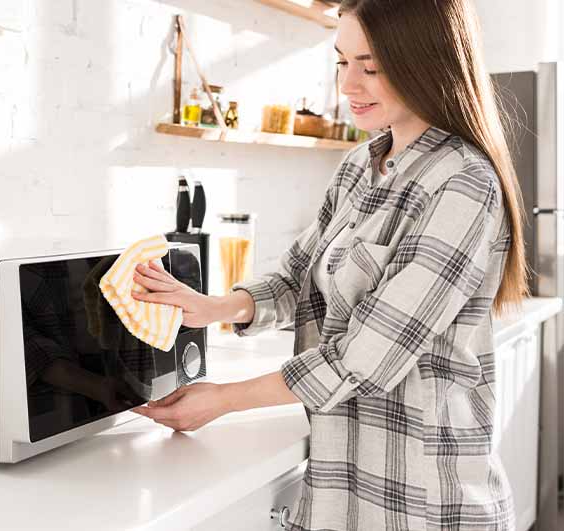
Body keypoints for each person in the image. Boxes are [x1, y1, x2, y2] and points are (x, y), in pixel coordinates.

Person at [131, 0, 528, 529]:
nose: (348, 85)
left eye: (373, 67)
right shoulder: (357, 169)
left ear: (429, 62)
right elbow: (299, 276)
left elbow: (368, 357)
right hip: (342, 486)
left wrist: (223, 399)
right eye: (342, 62)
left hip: (424, 498)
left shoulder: (462, 183)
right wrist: (213, 307)